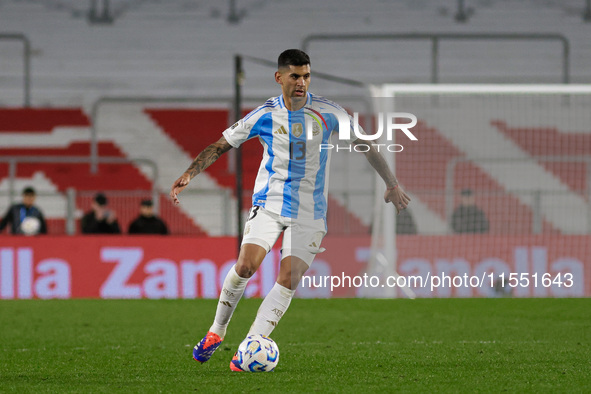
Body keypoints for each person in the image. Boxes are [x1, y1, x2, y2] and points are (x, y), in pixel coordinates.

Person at [170, 49, 411, 371]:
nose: (301, 82)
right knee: (245, 266)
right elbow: (221, 144)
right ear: (279, 77)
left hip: (309, 211)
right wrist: (190, 173)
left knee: (290, 276)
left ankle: (250, 345)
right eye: (295, 76)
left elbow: (366, 145)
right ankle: (217, 331)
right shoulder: (264, 114)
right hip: (269, 204)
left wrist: (392, 183)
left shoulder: (329, 112)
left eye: (306, 76)